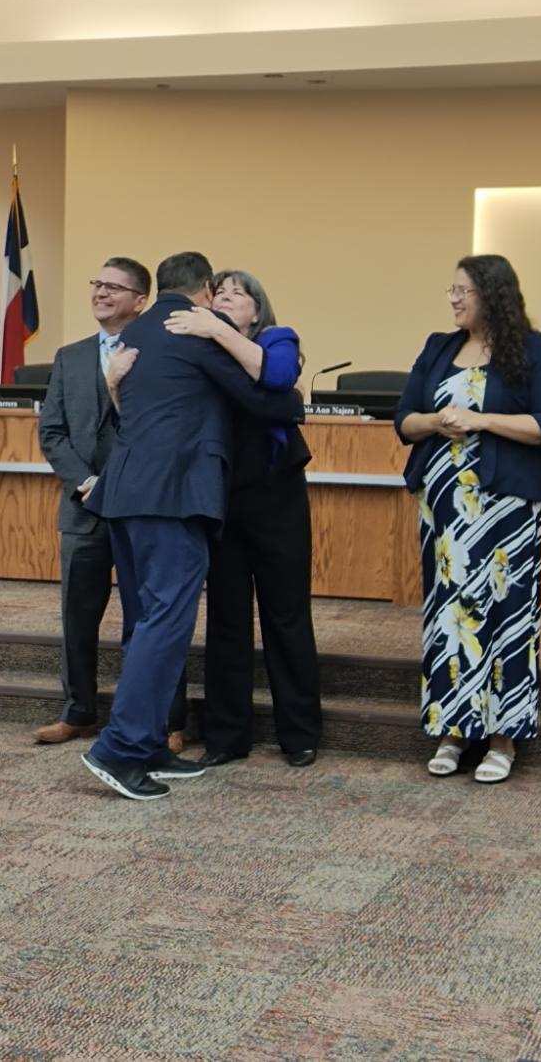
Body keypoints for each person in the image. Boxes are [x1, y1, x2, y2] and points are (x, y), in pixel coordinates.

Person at [81, 252, 305, 801]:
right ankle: (120, 746)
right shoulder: (199, 332)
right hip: (172, 497)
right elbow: (271, 398)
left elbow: (131, 405)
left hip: (126, 496)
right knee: (166, 620)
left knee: (146, 621)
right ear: (204, 290)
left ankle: (151, 743)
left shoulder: (140, 334)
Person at [395, 254, 541, 784]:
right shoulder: (438, 347)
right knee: (449, 617)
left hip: (507, 510)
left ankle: (502, 738)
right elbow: (405, 420)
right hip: (446, 513)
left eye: (462, 290)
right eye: (451, 290)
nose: (452, 299)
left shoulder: (531, 351)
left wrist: (481, 420)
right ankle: (452, 730)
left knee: (507, 618)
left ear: (491, 294)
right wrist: (437, 422)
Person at [161, 270, 321, 767]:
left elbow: (276, 379)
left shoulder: (277, 338)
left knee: (286, 614)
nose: (227, 298)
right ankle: (227, 737)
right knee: (227, 619)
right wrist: (285, 405)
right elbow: (274, 400)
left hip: (276, 497)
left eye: (239, 293)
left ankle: (299, 734)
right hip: (220, 498)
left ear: (257, 309)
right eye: (220, 292)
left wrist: (216, 329)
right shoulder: (201, 348)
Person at [35, 257, 150, 744]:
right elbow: (52, 431)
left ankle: (160, 719)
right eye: (96, 283)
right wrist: (85, 481)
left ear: (139, 301)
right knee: (78, 615)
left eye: (113, 286)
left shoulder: (157, 352)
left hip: (142, 505)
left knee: (146, 616)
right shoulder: (71, 356)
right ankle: (78, 710)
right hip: (83, 507)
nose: (100, 293)